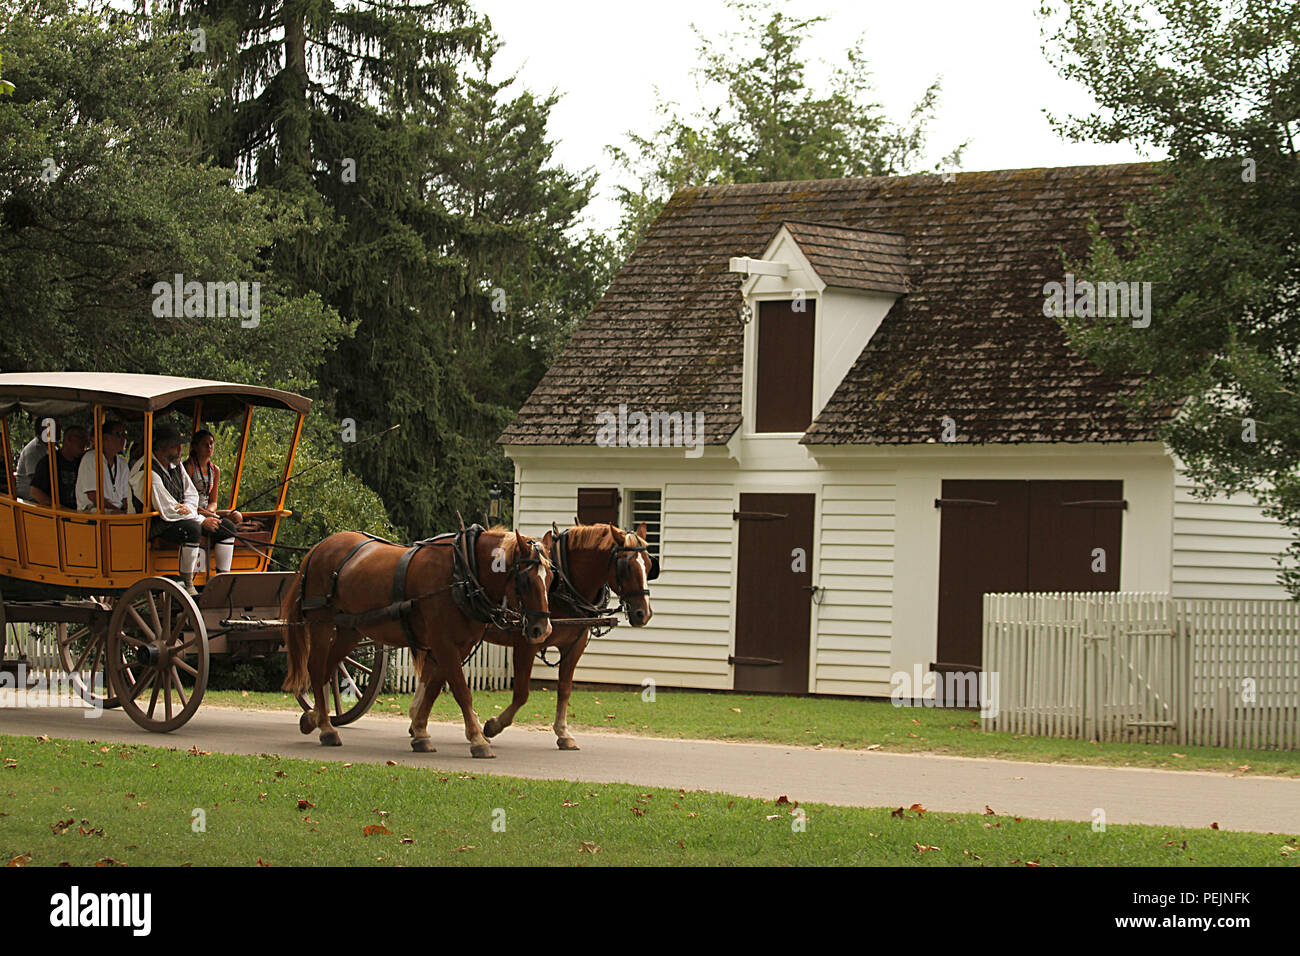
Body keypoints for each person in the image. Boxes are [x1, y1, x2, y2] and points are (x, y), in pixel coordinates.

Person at [130, 423, 235, 595]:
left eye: (180, 445)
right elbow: (168, 508)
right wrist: (201, 520)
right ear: (161, 448)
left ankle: (223, 580)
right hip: (155, 524)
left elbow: (191, 494)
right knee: (192, 529)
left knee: (227, 527)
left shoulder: (175, 465)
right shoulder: (147, 471)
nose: (180, 450)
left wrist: (190, 509)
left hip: (180, 516)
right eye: (175, 446)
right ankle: (187, 583)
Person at [184, 429, 244, 527]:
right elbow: (184, 499)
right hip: (193, 511)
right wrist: (207, 514)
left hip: (208, 512)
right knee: (225, 523)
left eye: (211, 443)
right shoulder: (189, 467)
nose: (209, 447)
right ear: (195, 447)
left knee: (237, 516)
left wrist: (210, 512)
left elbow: (213, 501)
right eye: (205, 444)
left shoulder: (215, 470)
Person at [76, 418, 131, 513]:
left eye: (124, 435)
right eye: (119, 434)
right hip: (92, 510)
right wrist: (116, 510)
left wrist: (128, 510)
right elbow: (93, 495)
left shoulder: (122, 463)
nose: (123, 439)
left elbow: (126, 497)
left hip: (116, 511)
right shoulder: (91, 458)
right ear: (105, 438)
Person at [28, 426, 89, 509]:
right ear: (68, 439)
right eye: (81, 438)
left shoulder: (83, 461)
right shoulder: (49, 462)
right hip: (57, 514)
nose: (85, 443)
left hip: (80, 511)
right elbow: (35, 492)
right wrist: (60, 508)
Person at [14, 419, 53, 499]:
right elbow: (36, 480)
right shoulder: (33, 450)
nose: (58, 430)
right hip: (29, 498)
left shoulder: (50, 447)